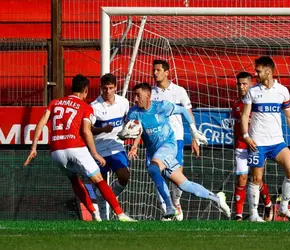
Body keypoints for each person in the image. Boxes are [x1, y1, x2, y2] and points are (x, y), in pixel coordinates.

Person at [24, 74, 135, 222]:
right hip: (76, 147)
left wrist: (33, 147)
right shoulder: (86, 107)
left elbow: (41, 122)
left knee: (74, 180)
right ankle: (120, 214)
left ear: (71, 88)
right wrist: (95, 154)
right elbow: (85, 131)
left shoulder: (55, 102)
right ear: (86, 91)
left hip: (56, 150)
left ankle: (94, 213)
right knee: (98, 180)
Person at [126, 82, 231, 219]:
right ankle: (216, 198)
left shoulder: (161, 107)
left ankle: (170, 207)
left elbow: (183, 110)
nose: (135, 99)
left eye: (138, 95)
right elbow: (137, 130)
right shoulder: (134, 113)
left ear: (148, 95)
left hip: (169, 146)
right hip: (154, 151)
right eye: (134, 95)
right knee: (184, 185)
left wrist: (193, 132)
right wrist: (134, 145)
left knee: (153, 169)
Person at [241, 56, 290, 222]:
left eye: (258, 70)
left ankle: (283, 208)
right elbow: (245, 115)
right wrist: (246, 136)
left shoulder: (282, 91)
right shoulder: (253, 91)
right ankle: (254, 215)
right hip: (257, 143)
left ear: (268, 71)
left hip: (277, 143)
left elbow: (289, 117)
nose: (255, 73)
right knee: (256, 179)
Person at [149, 59, 199, 221]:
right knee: (158, 174)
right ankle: (166, 209)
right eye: (154, 70)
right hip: (155, 140)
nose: (155, 73)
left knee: (177, 174)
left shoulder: (179, 91)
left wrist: (194, 137)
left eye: (158, 70)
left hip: (175, 139)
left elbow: (188, 113)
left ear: (166, 72)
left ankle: (176, 203)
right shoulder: (150, 93)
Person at [232, 72, 273, 221]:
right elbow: (236, 127)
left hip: (257, 145)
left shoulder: (257, 102)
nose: (241, 87)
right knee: (242, 178)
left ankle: (268, 203)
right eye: (239, 84)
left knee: (256, 179)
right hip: (241, 145)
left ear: (251, 84)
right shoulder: (236, 104)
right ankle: (238, 215)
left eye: (244, 84)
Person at [90, 73, 131, 220]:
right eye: (105, 88)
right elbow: (87, 129)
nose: (108, 91)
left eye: (111, 88)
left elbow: (129, 121)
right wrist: (102, 129)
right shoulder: (94, 107)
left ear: (115, 87)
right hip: (99, 149)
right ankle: (102, 217)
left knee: (124, 176)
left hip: (116, 146)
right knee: (99, 183)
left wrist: (130, 131)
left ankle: (109, 197)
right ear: (101, 88)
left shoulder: (123, 102)